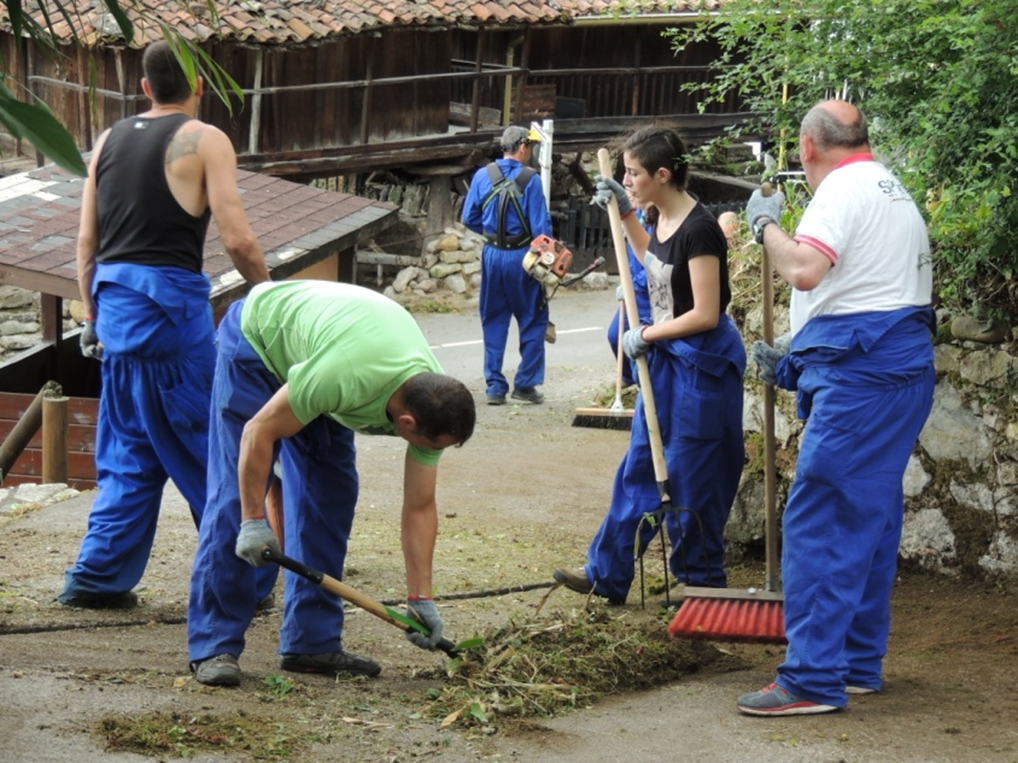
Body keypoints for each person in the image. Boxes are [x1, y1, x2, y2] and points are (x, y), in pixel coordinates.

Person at [737, 100, 935, 716]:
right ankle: (853, 661)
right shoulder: (891, 189)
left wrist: (765, 226)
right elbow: (873, 299)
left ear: (807, 146)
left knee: (820, 519)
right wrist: (798, 359)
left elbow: (804, 270)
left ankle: (810, 679)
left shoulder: (840, 193)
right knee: (868, 517)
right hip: (896, 371)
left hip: (865, 382)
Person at [58, 40, 271, 609]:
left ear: (145, 88)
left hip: (116, 317)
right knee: (210, 450)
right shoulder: (205, 140)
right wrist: (271, 296)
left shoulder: (107, 141)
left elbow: (87, 242)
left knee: (126, 452)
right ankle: (242, 581)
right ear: (198, 86)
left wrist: (91, 317)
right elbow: (236, 237)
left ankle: (96, 578)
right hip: (172, 321)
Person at [187, 279, 476, 687]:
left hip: (322, 353)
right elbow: (258, 432)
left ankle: (310, 643)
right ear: (407, 424)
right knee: (235, 497)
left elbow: (420, 506)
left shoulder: (434, 402)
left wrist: (420, 597)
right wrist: (254, 519)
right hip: (260, 340)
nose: (432, 452)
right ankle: (214, 645)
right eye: (430, 446)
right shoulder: (344, 376)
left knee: (331, 495)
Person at [553, 125, 746, 604]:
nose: (627, 178)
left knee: (693, 473)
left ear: (662, 174)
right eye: (624, 172)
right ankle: (608, 573)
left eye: (633, 173)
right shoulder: (658, 218)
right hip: (663, 362)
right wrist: (623, 210)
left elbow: (705, 313)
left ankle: (701, 585)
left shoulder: (700, 232)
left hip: (702, 367)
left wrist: (646, 334)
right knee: (641, 465)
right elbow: (647, 256)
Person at [462, 125, 553, 406]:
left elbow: (468, 218)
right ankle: (525, 385)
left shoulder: (482, 175)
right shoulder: (532, 180)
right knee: (534, 318)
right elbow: (541, 231)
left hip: (492, 255)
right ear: (523, 147)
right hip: (522, 258)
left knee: (493, 318)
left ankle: (494, 387)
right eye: (531, 147)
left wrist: (492, 235)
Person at [605, 198, 655, 388]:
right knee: (615, 335)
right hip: (634, 293)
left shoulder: (656, 221)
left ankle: (646, 384)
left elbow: (654, 266)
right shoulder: (636, 217)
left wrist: (632, 285)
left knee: (645, 343)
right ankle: (627, 376)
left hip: (650, 296)